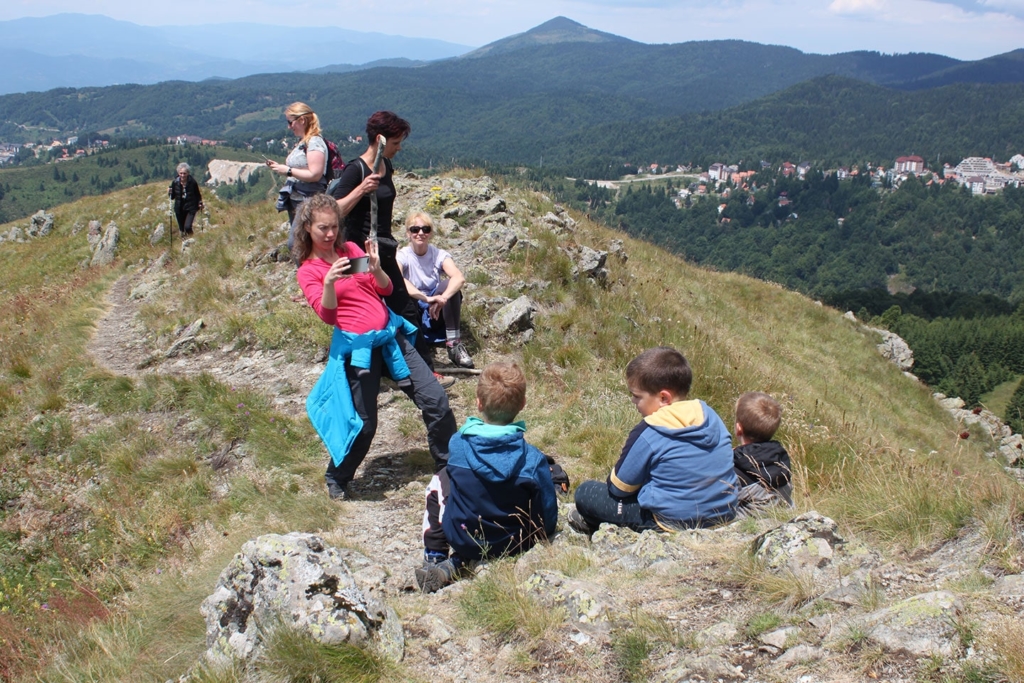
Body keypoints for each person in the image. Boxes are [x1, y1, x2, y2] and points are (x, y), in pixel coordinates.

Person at [295, 194, 457, 500]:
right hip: (359, 351)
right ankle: (337, 476)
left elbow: (384, 288)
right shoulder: (309, 270)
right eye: (322, 228)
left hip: (391, 339)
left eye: (334, 226)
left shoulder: (350, 250)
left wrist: (376, 268)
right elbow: (327, 315)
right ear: (307, 228)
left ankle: (449, 467)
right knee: (365, 425)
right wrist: (329, 283)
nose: (330, 234)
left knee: (436, 400)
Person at [417, 362, 558, 593]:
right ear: (522, 404)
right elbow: (548, 516)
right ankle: (460, 561)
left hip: (463, 537)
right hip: (516, 542)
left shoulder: (458, 445)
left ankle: (436, 556)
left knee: (439, 482)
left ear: (479, 402)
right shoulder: (532, 460)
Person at [568, 347, 738, 534]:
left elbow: (619, 488)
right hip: (724, 515)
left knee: (586, 492)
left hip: (670, 522)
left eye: (637, 396)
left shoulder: (650, 429)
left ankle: (592, 524)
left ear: (664, 397)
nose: (633, 401)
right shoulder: (711, 415)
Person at [329, 111, 413, 327]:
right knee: (366, 309)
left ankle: (409, 346)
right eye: (395, 143)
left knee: (404, 308)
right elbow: (334, 211)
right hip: (358, 252)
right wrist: (361, 189)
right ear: (380, 140)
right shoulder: (355, 170)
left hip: (383, 248)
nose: (399, 148)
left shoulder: (386, 164)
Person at [397, 211, 474, 370]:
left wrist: (442, 299)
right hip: (415, 310)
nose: (420, 233)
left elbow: (459, 277)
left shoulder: (439, 254)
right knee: (405, 294)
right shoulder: (402, 255)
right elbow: (398, 280)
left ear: (430, 233)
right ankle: (412, 344)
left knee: (450, 286)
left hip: (435, 310)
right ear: (408, 233)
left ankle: (454, 344)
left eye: (425, 229)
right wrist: (426, 298)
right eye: (415, 229)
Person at [267, 102, 327, 225]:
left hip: (309, 202)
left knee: (298, 237)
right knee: (297, 236)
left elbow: (315, 174)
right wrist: (280, 167)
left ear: (302, 120)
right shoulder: (304, 141)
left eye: (290, 122)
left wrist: (288, 171)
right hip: (298, 200)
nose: (289, 127)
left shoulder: (314, 142)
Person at [732, 391, 793, 508]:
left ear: (739, 429)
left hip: (743, 519)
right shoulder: (781, 460)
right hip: (780, 515)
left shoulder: (734, 469)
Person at [168, 162, 203, 238]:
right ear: (178, 173)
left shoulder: (192, 182)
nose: (182, 175)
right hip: (179, 208)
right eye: (181, 173)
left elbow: (197, 194)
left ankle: (192, 239)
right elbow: (172, 197)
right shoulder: (175, 182)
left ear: (188, 173)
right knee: (182, 229)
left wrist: (200, 202)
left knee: (187, 227)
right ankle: (185, 241)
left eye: (184, 173)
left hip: (191, 208)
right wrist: (170, 192)